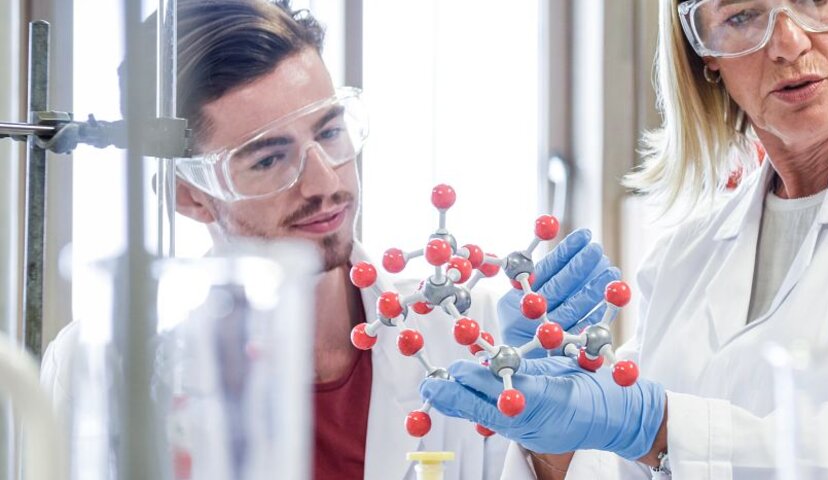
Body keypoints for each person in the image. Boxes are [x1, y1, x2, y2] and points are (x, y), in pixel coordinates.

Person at [421, 0, 828, 478]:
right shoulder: (687, 257)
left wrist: (663, 429)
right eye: (742, 16)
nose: (790, 44)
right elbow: (622, 466)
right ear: (704, 52)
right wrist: (550, 436)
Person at [39, 1, 616, 479]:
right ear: (189, 195)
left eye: (330, 132)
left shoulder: (468, 338)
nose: (326, 182)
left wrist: (553, 444)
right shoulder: (106, 367)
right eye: (269, 158)